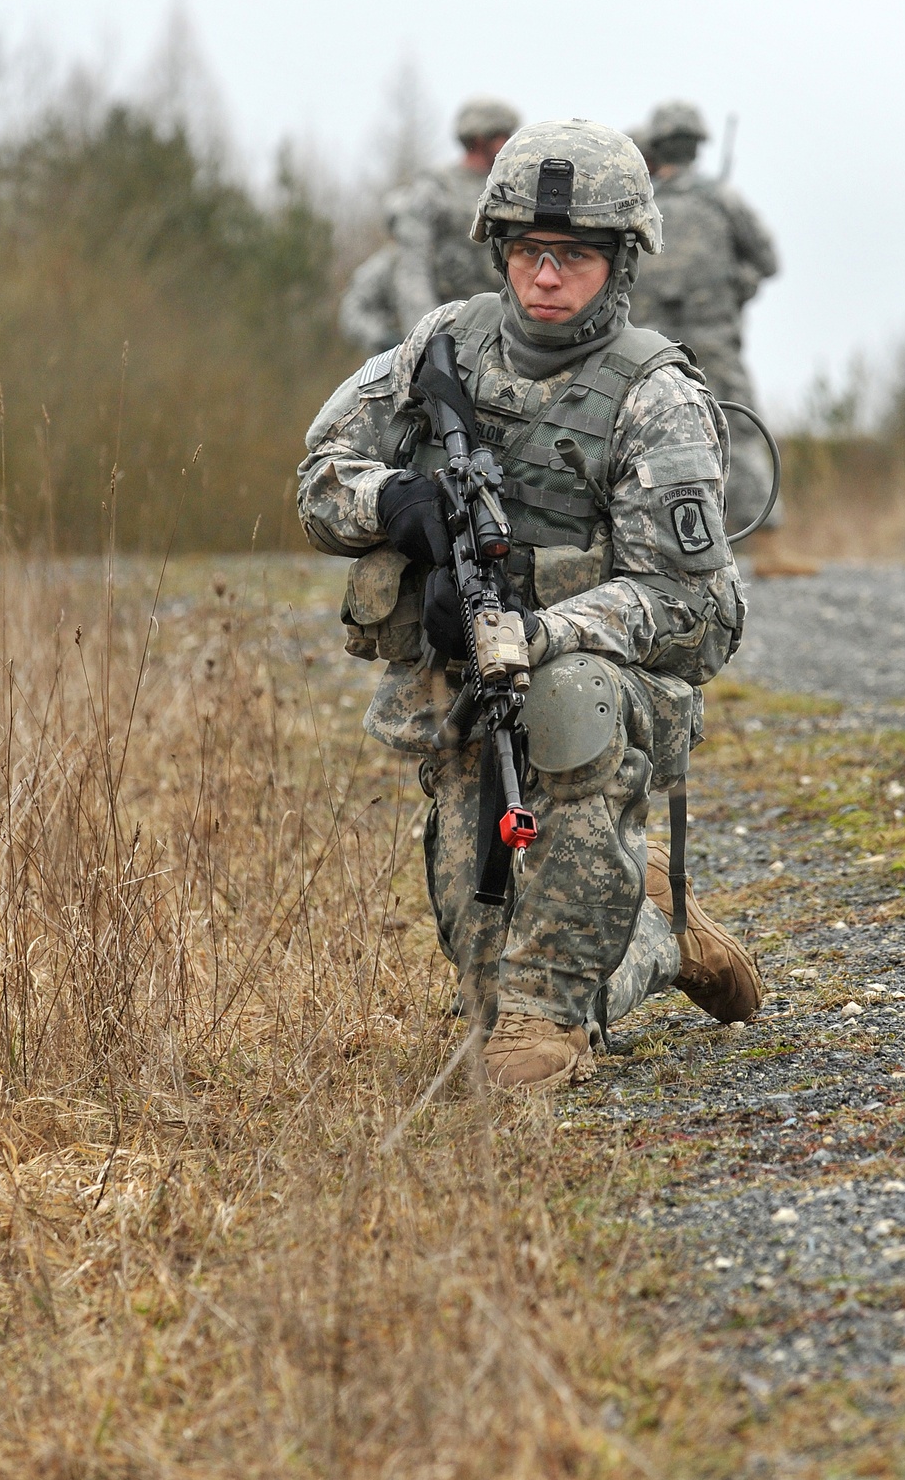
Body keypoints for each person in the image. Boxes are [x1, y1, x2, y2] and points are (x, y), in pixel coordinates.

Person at [298, 119, 761, 1091]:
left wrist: (545, 632)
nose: (546, 276)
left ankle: (577, 993)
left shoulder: (657, 397)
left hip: (609, 690)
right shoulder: (443, 346)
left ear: (620, 259)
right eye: (528, 252)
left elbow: (685, 601)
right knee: (483, 981)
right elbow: (319, 473)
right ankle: (654, 926)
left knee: (523, 1042)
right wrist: (396, 502)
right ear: (500, 248)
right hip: (464, 687)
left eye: (576, 256)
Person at [627, 100, 818, 577]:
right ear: (698, 145)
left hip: (648, 347)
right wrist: (737, 285)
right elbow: (768, 261)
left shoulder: (637, 204)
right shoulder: (721, 199)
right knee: (744, 431)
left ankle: (655, 548)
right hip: (713, 339)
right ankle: (768, 546)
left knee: (647, 435)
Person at [389, 96, 521, 335]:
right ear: (481, 138)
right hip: (449, 323)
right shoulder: (435, 189)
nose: (510, 143)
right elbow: (413, 270)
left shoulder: (510, 187)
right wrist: (429, 336)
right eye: (504, 135)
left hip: (502, 324)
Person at [338, 188, 407, 355]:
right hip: (397, 360)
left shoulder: (440, 263)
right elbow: (352, 312)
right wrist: (382, 337)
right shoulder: (381, 268)